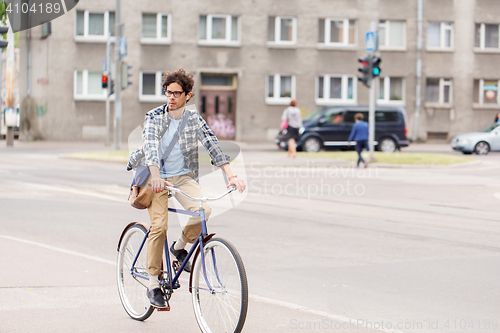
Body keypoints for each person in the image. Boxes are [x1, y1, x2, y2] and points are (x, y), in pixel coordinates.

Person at [127, 69, 246, 308]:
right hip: (156, 177)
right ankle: (152, 283)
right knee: (159, 226)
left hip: (182, 177)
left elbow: (212, 144)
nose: (170, 97)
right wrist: (157, 176)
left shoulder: (193, 119)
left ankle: (179, 247)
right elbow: (150, 147)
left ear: (187, 95)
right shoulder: (154, 117)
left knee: (205, 210)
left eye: (176, 93)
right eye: (167, 92)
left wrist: (232, 176)